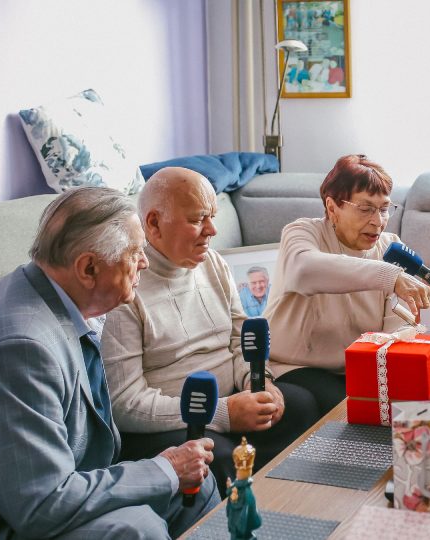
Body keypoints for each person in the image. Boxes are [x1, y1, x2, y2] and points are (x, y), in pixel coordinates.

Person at [0, 187, 218, 539]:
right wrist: (166, 467)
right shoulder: (19, 348)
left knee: (195, 488)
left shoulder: (51, 291)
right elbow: (43, 504)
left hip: (28, 495)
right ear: (89, 267)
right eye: (135, 252)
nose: (145, 261)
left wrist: (167, 473)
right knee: (135, 528)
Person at [101, 167, 318, 496]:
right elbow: (125, 403)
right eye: (198, 219)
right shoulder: (125, 288)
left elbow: (239, 337)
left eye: (213, 217)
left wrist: (257, 382)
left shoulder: (213, 264)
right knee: (217, 456)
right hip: (174, 421)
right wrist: (225, 414)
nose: (212, 230)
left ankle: (284, 503)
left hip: (231, 400)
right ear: (154, 223)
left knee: (301, 405)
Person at [263, 154, 430, 414]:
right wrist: (392, 276)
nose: (378, 221)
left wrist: (413, 313)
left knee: (409, 402)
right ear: (332, 208)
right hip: (294, 365)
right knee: (351, 406)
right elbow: (305, 270)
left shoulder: (389, 247)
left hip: (360, 368)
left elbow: (395, 330)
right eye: (365, 209)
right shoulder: (302, 233)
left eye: (384, 208)